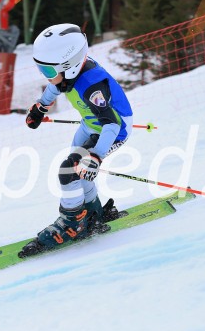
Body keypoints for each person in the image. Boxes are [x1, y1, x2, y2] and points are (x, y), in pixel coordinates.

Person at [21, 23, 134, 256]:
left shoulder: (92, 86)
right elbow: (55, 87)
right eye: (41, 69)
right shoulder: (66, 76)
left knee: (68, 171)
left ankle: (73, 222)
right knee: (77, 169)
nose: (46, 76)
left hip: (111, 130)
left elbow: (111, 124)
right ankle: (93, 212)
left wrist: (96, 156)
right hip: (89, 125)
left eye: (49, 71)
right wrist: (41, 107)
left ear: (69, 66)